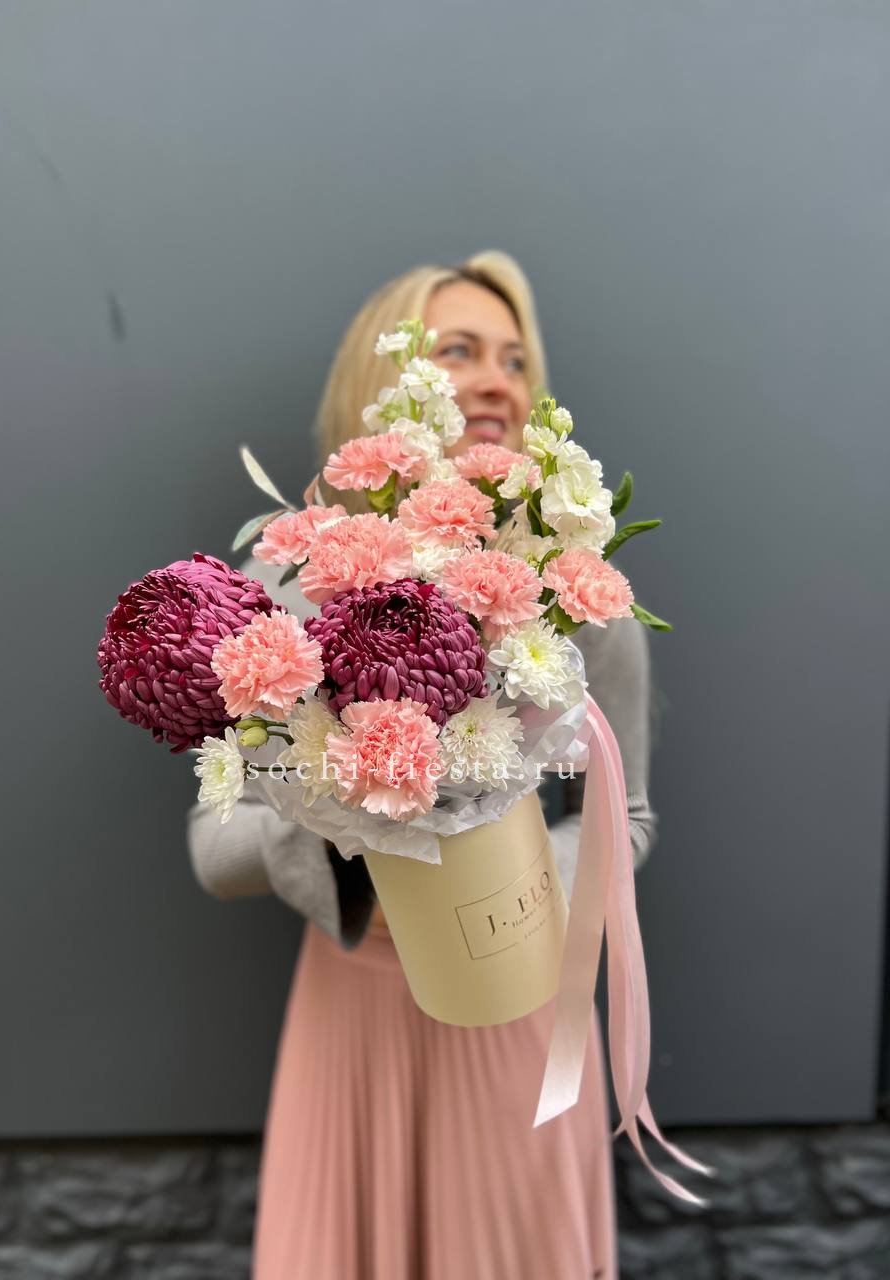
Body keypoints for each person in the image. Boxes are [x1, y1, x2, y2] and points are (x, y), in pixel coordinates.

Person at [187, 251, 657, 1279]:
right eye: (459, 350)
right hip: (351, 1018)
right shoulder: (283, 585)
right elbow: (215, 851)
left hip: (519, 1016)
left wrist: (514, 892)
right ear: (384, 379)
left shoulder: (576, 590)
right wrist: (350, 813)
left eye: (516, 359)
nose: (497, 379)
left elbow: (627, 818)